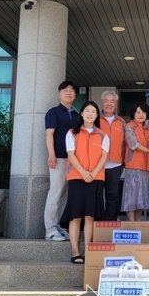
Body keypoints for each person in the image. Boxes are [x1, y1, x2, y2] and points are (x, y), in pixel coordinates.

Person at [62, 101, 109, 264]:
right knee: (75, 216)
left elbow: (104, 156)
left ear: (97, 115)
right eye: (87, 110)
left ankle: (88, 251)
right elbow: (71, 155)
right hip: (77, 177)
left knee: (90, 216)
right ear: (81, 113)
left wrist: (93, 173)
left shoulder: (103, 135)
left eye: (93, 111)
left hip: (95, 179)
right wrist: (83, 173)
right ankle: (75, 252)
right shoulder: (72, 133)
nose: (90, 114)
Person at [43, 81, 80, 241]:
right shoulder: (53, 112)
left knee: (65, 196)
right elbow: (49, 134)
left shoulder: (77, 115)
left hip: (74, 161)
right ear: (59, 94)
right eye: (65, 90)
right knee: (55, 193)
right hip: (58, 158)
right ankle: (50, 230)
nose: (69, 93)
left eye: (72, 90)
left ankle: (58, 226)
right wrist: (51, 154)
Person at [122, 102, 149, 221]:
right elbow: (133, 144)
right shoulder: (129, 126)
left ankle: (138, 224)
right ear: (133, 114)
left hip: (147, 167)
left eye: (143, 112)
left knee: (141, 199)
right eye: (138, 112)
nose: (141, 115)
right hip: (134, 166)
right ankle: (132, 224)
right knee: (131, 198)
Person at [98, 90, 126, 221]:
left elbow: (125, 143)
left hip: (116, 164)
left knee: (113, 196)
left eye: (112, 101)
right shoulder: (95, 119)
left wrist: (124, 162)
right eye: (106, 101)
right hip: (97, 165)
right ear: (102, 103)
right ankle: (97, 224)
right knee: (97, 195)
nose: (109, 104)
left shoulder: (121, 122)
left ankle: (110, 223)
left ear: (116, 104)